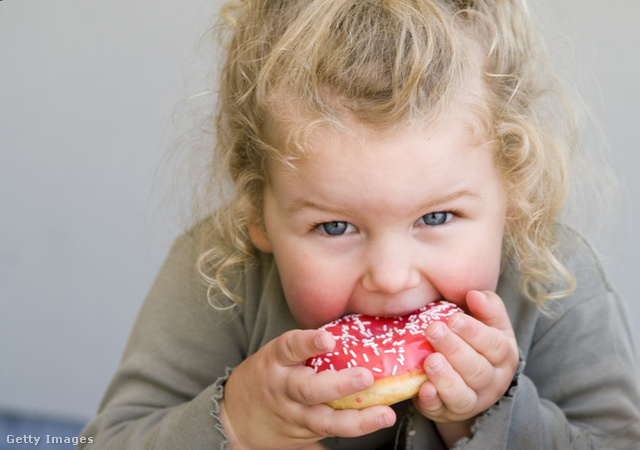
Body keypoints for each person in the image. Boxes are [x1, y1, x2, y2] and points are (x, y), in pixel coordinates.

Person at [79, 0, 640, 448]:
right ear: (256, 213)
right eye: (335, 228)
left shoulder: (555, 279)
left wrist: (488, 417)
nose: (392, 278)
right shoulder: (223, 272)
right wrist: (239, 424)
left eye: (437, 217)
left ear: (514, 193)